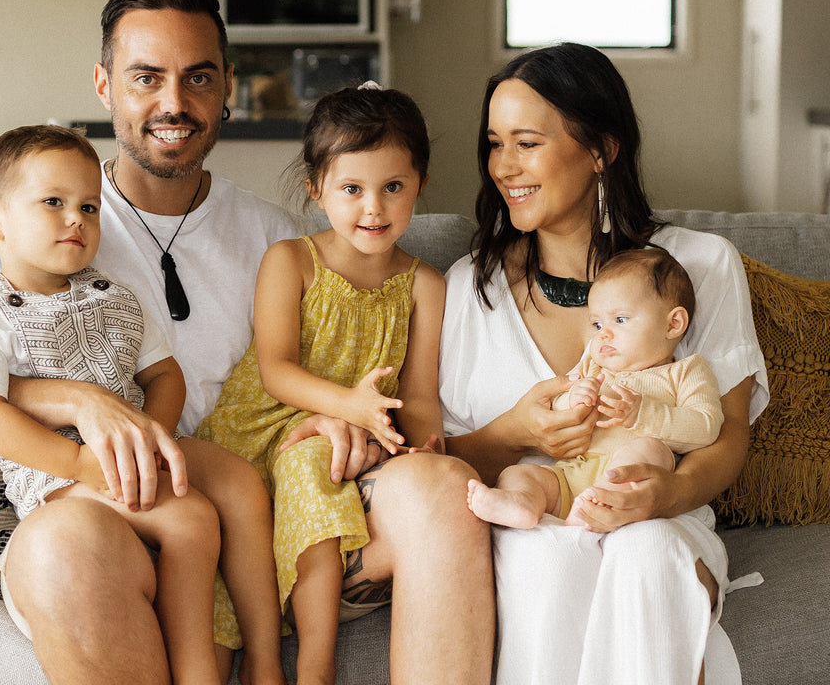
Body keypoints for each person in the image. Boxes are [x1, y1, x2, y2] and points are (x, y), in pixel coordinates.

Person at [0, 0, 494, 685]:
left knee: (444, 490)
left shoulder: (279, 238)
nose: (174, 103)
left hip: (266, 520)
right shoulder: (28, 222)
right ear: (105, 84)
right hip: (103, 516)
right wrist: (77, 402)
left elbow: (330, 367)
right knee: (63, 550)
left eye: (198, 77)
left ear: (228, 84)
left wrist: (336, 420)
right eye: (146, 77)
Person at [438, 42, 769, 685]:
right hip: (535, 517)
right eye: (494, 143)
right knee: (546, 562)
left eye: (526, 143)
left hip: (663, 517)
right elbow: (444, 459)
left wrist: (667, 493)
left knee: (646, 551)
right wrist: (515, 434)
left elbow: (728, 436)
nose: (504, 166)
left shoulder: (700, 266)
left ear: (600, 150)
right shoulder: (465, 289)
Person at [0, 123, 287, 684]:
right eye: (53, 203)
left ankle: (263, 654)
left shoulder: (111, 295)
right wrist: (78, 464)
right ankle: (198, 667)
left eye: (89, 207)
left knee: (239, 480)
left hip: (136, 445)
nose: (76, 218)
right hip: (61, 474)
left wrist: (151, 438)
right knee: (193, 519)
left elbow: (164, 374)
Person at [197, 84, 445, 684]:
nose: (374, 209)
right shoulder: (292, 260)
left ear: (420, 186)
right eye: (351, 189)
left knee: (323, 466)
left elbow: (418, 396)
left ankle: (315, 661)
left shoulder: (425, 286)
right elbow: (277, 369)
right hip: (256, 429)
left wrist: (421, 446)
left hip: (345, 434)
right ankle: (290, 659)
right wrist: (350, 406)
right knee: (212, 632)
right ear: (317, 191)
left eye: (393, 187)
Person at [467, 247, 724, 529]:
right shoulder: (593, 365)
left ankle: (595, 508)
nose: (604, 333)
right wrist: (572, 400)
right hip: (572, 475)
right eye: (598, 323)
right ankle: (522, 503)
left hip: (627, 487)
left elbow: (707, 426)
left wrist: (645, 414)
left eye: (621, 320)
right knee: (519, 473)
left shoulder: (686, 371)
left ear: (673, 323)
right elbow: (558, 409)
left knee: (651, 450)